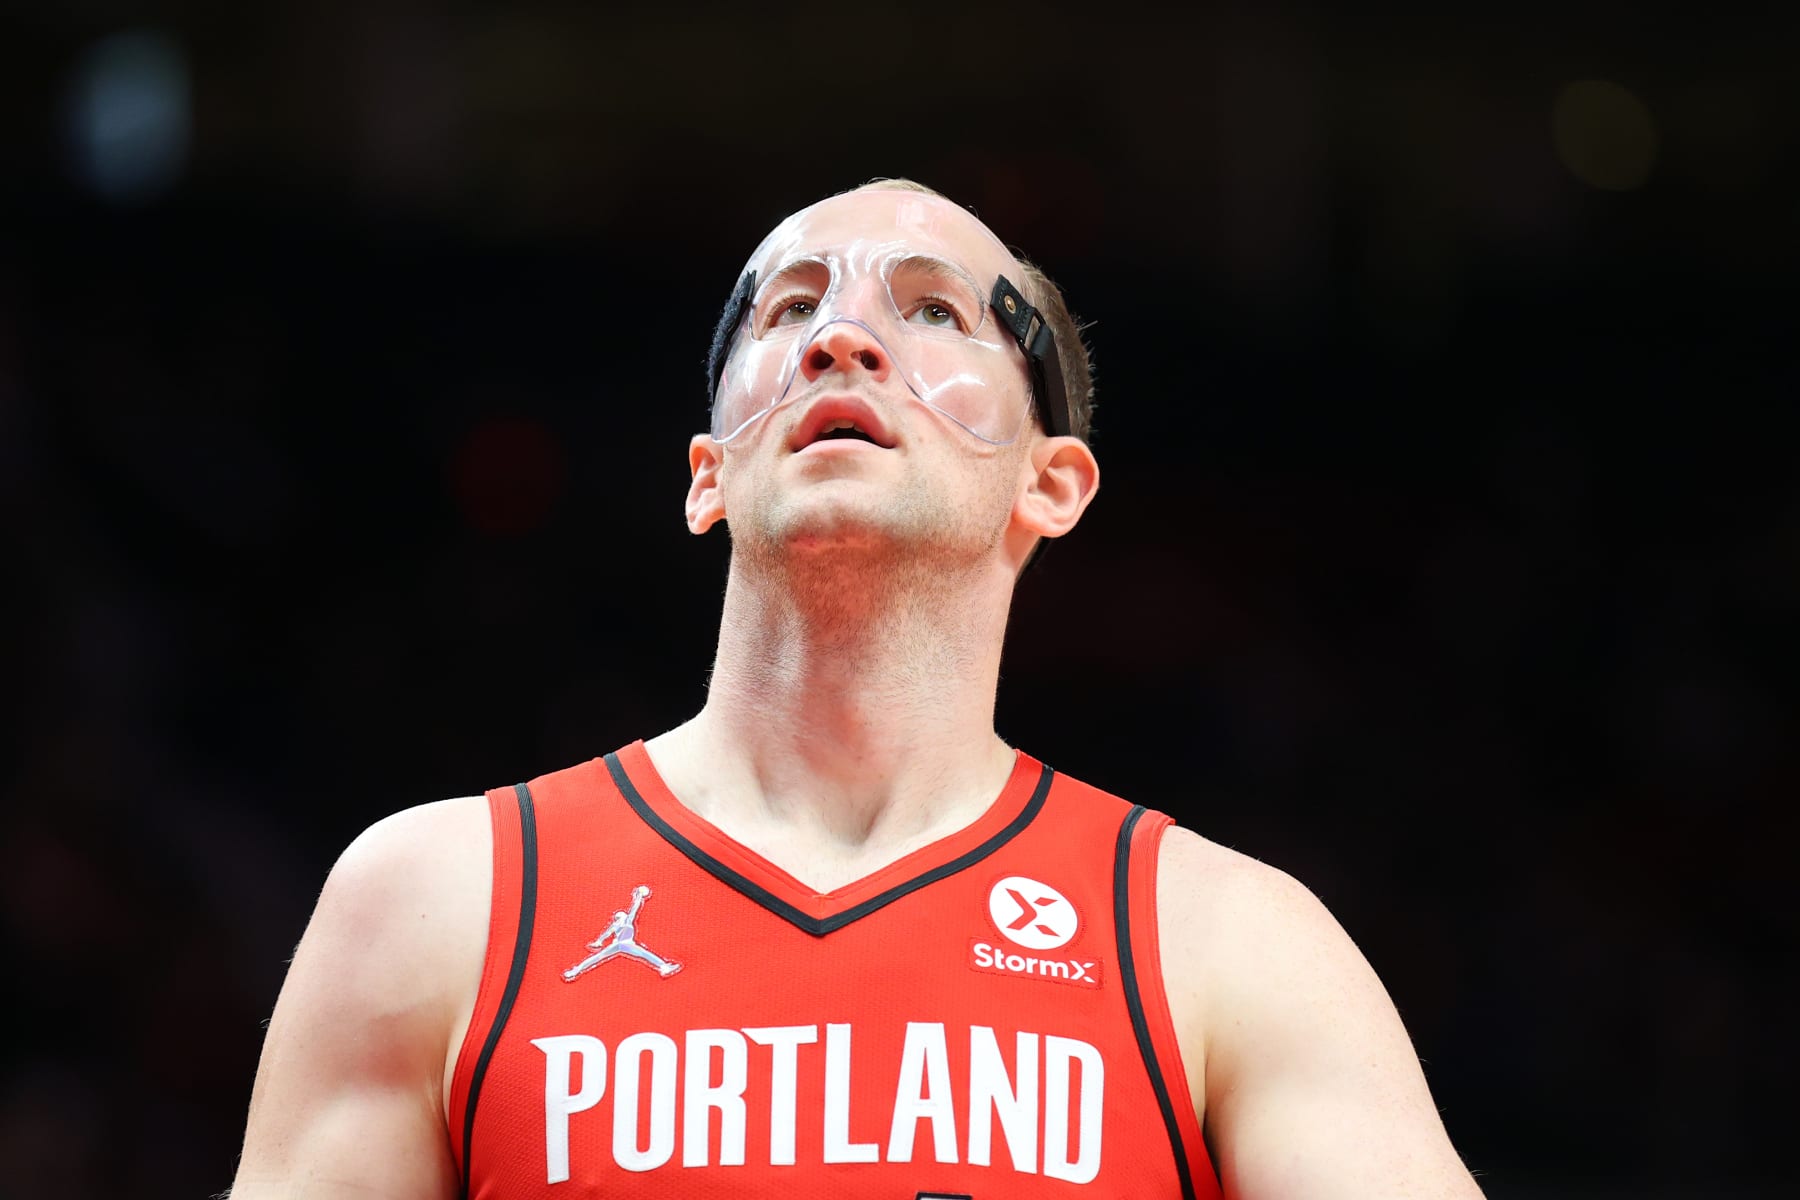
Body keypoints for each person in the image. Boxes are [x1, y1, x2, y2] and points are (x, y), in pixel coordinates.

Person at [230, 179, 1486, 1198]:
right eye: (785, 313)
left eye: (937, 312)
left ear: (1052, 484)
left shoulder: (1225, 943)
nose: (842, 335)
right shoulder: (438, 900)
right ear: (708, 474)